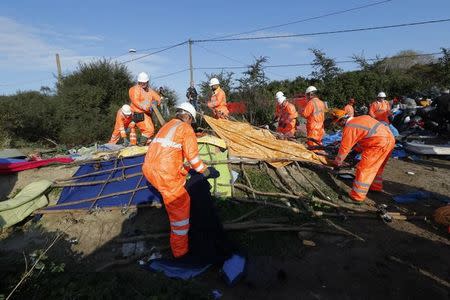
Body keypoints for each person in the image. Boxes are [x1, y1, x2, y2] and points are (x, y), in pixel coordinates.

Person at [142, 102, 220, 258]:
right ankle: (180, 252)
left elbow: (172, 153)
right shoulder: (186, 128)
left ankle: (168, 209)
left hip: (149, 169)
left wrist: (186, 169)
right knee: (180, 209)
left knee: (172, 193)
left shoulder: (167, 126)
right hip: (165, 175)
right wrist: (205, 171)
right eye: (192, 120)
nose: (191, 123)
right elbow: (193, 158)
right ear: (188, 117)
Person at [330, 109, 395, 203]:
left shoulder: (350, 127)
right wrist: (356, 151)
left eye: (338, 123)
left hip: (378, 144)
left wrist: (337, 162)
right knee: (378, 167)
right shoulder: (362, 118)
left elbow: (344, 148)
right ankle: (375, 187)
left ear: (342, 120)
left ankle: (357, 197)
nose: (339, 126)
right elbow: (366, 137)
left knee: (364, 169)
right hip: (390, 140)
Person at [128, 72, 161, 145]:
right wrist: (148, 107)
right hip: (138, 113)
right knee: (149, 130)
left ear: (147, 82)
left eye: (144, 83)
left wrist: (156, 102)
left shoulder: (149, 90)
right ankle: (141, 145)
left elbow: (158, 98)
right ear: (138, 82)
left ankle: (146, 145)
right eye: (141, 83)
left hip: (146, 114)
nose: (143, 84)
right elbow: (136, 101)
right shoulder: (135, 89)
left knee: (150, 130)